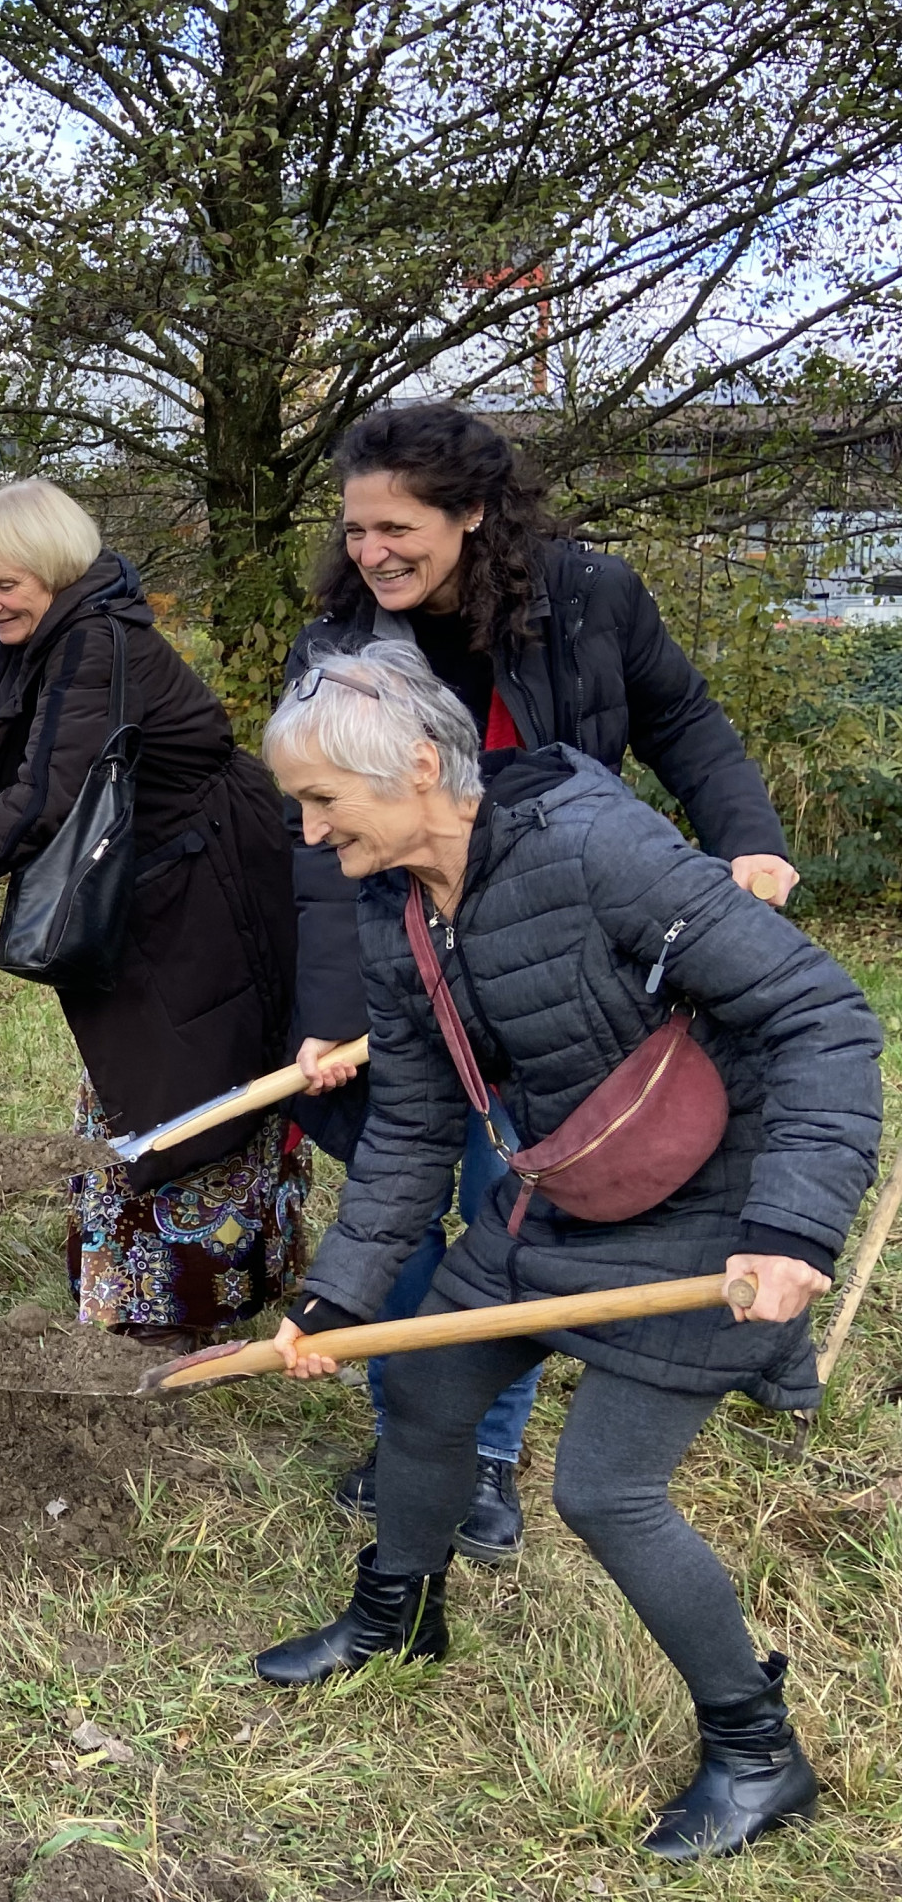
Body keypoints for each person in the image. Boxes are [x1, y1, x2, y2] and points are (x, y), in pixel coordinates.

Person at [254, 643, 876, 1861]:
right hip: (562, 1190)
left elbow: (821, 1015)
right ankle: (399, 1616)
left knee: (603, 1490)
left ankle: (758, 1754)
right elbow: (413, 1127)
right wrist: (337, 1299)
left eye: (323, 800)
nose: (312, 833)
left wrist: (793, 1228)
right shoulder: (397, 909)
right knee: (424, 1389)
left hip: (712, 1207)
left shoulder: (596, 847)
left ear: (418, 766)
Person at [285, 403, 797, 1560]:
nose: (371, 553)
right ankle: (414, 1430)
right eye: (355, 530)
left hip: (553, 948)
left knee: (515, 1199)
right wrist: (331, 1011)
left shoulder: (588, 597)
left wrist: (748, 840)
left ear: (471, 512)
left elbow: (682, 721)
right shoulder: (336, 644)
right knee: (396, 1185)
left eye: (397, 528)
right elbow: (313, 846)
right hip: (408, 953)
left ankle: (484, 1456)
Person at [0, 479, 305, 1343]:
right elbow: (17, 770)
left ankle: (179, 1311)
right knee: (140, 1079)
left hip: (212, 881)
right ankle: (138, 1299)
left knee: (192, 1081)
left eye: (5, 585)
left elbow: (50, 797)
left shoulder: (96, 642)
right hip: (147, 872)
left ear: (58, 573)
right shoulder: (37, 639)